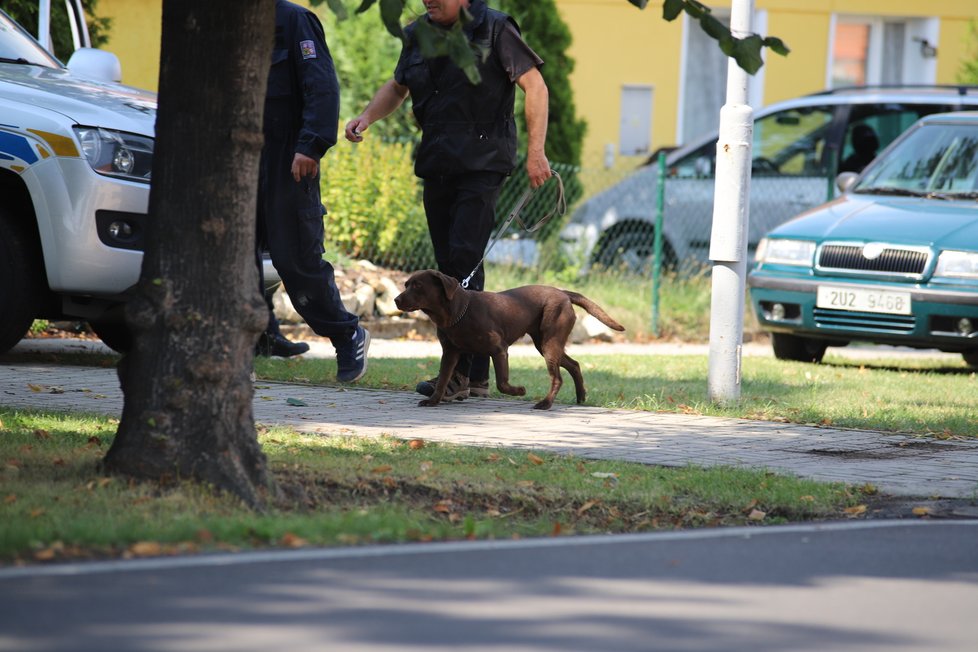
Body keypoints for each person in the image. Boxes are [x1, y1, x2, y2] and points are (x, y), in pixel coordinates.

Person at [344, 0, 550, 400]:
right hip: (437, 162)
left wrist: (536, 152)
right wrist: (367, 117)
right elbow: (398, 86)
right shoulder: (417, 32)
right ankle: (474, 376)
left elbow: (535, 86)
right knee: (448, 273)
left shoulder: (495, 29)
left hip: (482, 163)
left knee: (461, 262)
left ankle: (459, 376)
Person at [258, 0, 369, 381]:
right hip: (238, 161)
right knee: (232, 255)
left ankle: (346, 333)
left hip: (287, 159)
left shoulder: (293, 20)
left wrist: (311, 145)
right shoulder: (219, 24)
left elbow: (321, 86)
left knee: (295, 259)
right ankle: (259, 336)